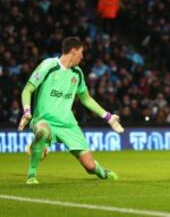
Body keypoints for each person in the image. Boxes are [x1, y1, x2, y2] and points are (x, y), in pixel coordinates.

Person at [18, 36, 124, 185]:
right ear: (73, 51)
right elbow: (27, 89)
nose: (82, 57)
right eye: (81, 53)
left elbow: (86, 98)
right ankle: (31, 175)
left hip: (68, 124)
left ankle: (102, 172)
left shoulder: (77, 73)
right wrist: (27, 111)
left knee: (89, 166)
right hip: (44, 120)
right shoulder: (48, 65)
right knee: (42, 131)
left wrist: (108, 117)